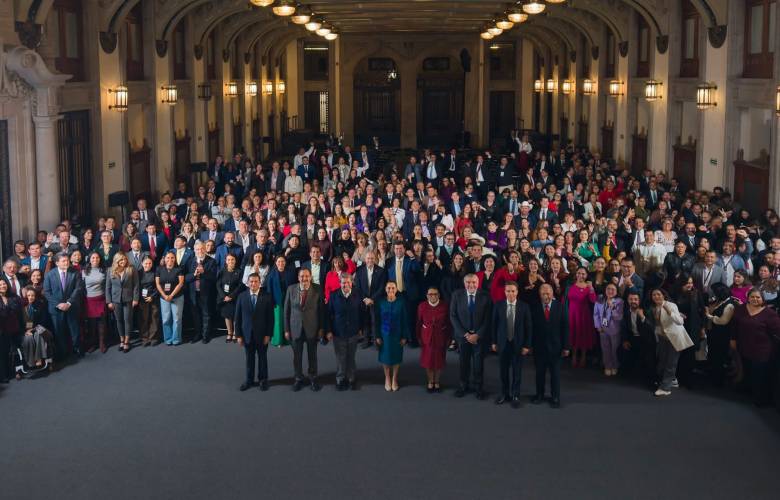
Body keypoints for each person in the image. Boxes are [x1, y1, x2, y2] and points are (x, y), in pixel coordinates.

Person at [730, 288, 780, 406]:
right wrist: (732, 339)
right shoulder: (741, 309)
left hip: (762, 350)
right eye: (752, 297)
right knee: (748, 371)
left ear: (763, 299)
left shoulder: (769, 314)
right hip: (744, 347)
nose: (755, 299)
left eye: (758, 297)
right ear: (748, 298)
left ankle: (761, 400)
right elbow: (734, 325)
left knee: (760, 375)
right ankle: (750, 393)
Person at [449, 273, 492, 399]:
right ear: (464, 283)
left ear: (478, 283)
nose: (471, 284)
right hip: (463, 337)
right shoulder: (457, 295)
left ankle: (479, 388)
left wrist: (478, 335)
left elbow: (487, 319)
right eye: (468, 282)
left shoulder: (485, 296)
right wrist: (465, 334)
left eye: (473, 282)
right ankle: (463, 386)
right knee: (464, 363)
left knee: (479, 364)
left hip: (479, 337)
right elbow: (453, 316)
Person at [491, 281, 532, 408]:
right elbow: (494, 325)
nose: (510, 293)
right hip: (503, 344)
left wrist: (527, 345)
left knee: (517, 371)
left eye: (513, 291)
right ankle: (504, 394)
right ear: (504, 292)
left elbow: (529, 327)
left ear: (517, 292)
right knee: (503, 371)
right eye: (508, 291)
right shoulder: (498, 306)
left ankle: (515, 395)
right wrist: (493, 342)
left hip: (518, 344)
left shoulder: (524, 307)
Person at [284, 268, 325, 391]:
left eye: (307, 276)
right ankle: (298, 378)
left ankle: (313, 378)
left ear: (310, 277)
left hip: (312, 328)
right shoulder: (291, 289)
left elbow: (322, 311)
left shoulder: (317, 289)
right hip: (295, 328)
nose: (304, 278)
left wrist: (322, 328)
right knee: (297, 356)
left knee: (312, 355)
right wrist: (286, 329)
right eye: (302, 276)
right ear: (298, 277)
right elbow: (286, 311)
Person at [531, 283, 569, 408]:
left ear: (552, 294)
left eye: (548, 293)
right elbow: (531, 329)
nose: (546, 296)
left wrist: (566, 347)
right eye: (543, 294)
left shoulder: (561, 307)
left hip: (556, 348)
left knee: (555, 374)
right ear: (539, 294)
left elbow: (565, 328)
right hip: (539, 347)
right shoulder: (534, 307)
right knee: (539, 374)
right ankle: (539, 395)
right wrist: (530, 345)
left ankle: (555, 397)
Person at [235, 273, 275, 392]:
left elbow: (270, 319)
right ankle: (249, 380)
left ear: (260, 283)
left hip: (262, 335)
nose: (253, 283)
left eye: (256, 281)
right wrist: (238, 335)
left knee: (262, 358)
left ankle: (263, 380)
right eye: (251, 281)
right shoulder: (241, 296)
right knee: (249, 358)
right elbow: (237, 318)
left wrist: (269, 334)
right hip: (247, 334)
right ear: (248, 283)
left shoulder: (267, 297)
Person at [650, 289, 693, 397]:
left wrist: (670, 311)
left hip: (675, 337)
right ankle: (670, 380)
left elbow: (680, 321)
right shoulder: (654, 308)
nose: (656, 297)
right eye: (654, 295)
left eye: (658, 294)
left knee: (671, 363)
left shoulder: (671, 305)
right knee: (662, 361)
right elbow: (658, 325)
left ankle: (665, 388)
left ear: (663, 295)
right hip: (663, 338)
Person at [43, 253, 85, 359]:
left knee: (74, 329)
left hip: (72, 306)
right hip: (56, 308)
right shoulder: (49, 274)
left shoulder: (75, 273)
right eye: (63, 261)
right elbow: (47, 292)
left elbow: (78, 289)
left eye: (67, 260)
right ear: (57, 263)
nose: (66, 263)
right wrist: (58, 304)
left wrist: (68, 303)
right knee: (59, 331)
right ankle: (63, 352)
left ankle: (76, 348)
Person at [326, 274, 363, 390]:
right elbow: (328, 314)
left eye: (348, 282)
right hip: (338, 332)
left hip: (353, 331)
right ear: (339, 283)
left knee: (351, 357)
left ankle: (351, 378)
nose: (346, 284)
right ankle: (340, 379)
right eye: (343, 282)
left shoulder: (358, 294)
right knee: (341, 357)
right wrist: (328, 331)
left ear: (351, 282)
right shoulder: (333, 295)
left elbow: (362, 313)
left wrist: (361, 328)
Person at [375, 281, 411, 391]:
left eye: (393, 288)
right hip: (384, 335)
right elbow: (376, 321)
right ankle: (387, 378)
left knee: (396, 358)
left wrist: (405, 336)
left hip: (397, 335)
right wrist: (377, 336)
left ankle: (394, 378)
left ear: (396, 290)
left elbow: (405, 320)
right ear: (385, 289)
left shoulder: (401, 302)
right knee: (385, 358)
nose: (391, 290)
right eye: (389, 288)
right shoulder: (380, 302)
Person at [415, 286, 451, 393]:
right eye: (430, 294)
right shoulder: (422, 306)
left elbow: (449, 324)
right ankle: (430, 381)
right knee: (428, 361)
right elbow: (418, 323)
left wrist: (449, 338)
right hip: (427, 337)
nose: (433, 296)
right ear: (427, 296)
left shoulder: (445, 306)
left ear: (439, 295)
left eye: (435, 294)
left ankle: (437, 381)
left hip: (441, 337)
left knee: (439, 361)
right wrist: (418, 337)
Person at [704, 283, 738, 387]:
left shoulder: (730, 304)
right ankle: (714, 377)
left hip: (722, 335)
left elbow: (723, 321)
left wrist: (709, 316)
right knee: (714, 356)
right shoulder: (721, 301)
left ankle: (718, 381)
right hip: (715, 334)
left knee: (719, 357)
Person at [105, 252, 139, 353]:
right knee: (119, 320)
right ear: (116, 261)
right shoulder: (110, 270)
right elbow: (108, 287)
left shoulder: (131, 269)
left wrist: (136, 299)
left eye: (124, 259)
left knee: (127, 320)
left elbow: (136, 285)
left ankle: (127, 341)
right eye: (120, 260)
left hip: (128, 299)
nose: (123, 261)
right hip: (115, 300)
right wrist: (109, 301)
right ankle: (122, 340)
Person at [185, 241, 218, 344]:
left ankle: (205, 335)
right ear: (194, 250)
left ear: (205, 249)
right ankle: (197, 334)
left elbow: (214, 278)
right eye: (198, 249)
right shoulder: (190, 261)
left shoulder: (212, 261)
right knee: (195, 315)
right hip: (193, 293)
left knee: (206, 314)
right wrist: (194, 275)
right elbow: (186, 278)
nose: (200, 251)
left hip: (206, 293)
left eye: (202, 249)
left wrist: (204, 273)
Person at [566, 267, 597, 368]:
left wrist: (591, 288)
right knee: (573, 335)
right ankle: (574, 356)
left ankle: (583, 356)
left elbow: (593, 300)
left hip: (584, 315)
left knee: (583, 335)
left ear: (587, 275)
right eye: (579, 273)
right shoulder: (570, 285)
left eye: (583, 274)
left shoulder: (589, 287)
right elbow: (565, 301)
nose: (581, 275)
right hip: (572, 314)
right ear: (576, 274)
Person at [354, 251, 387, 348]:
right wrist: (365, 299)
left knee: (375, 321)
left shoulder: (381, 271)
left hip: (375, 301)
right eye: (368, 258)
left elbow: (382, 288)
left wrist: (372, 299)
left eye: (372, 258)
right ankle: (366, 340)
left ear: (375, 259)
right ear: (365, 259)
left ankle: (376, 341)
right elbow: (357, 288)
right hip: (364, 301)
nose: (370, 260)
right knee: (365, 321)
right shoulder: (359, 270)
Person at [593, 283, 624, 376]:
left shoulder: (619, 301)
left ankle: (615, 365)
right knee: (605, 349)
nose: (610, 291)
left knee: (615, 349)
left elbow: (619, 317)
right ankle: (607, 365)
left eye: (613, 289)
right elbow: (596, 314)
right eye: (608, 289)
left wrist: (612, 307)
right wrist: (598, 326)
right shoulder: (600, 299)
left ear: (617, 291)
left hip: (615, 330)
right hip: (603, 329)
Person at [156, 252, 185, 346]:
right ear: (164, 259)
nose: (170, 259)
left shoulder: (179, 269)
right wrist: (164, 296)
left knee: (177, 319)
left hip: (177, 297)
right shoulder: (159, 269)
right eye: (168, 257)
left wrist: (171, 295)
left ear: (175, 259)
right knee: (166, 319)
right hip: (164, 298)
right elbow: (157, 284)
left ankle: (176, 339)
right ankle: (168, 338)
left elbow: (180, 283)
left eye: (172, 257)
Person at [81, 252, 107, 353]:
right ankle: (93, 343)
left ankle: (102, 343)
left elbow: (106, 285)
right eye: (93, 258)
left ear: (100, 259)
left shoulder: (104, 270)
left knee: (101, 323)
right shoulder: (84, 271)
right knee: (91, 325)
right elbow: (82, 287)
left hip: (101, 299)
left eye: (97, 258)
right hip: (89, 300)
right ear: (89, 259)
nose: (95, 259)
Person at [216, 253, 244, 343]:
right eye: (228, 260)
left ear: (235, 261)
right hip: (224, 298)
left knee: (236, 316)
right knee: (227, 316)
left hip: (235, 298)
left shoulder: (239, 271)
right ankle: (229, 332)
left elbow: (240, 286)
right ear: (226, 261)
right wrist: (224, 296)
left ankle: (236, 333)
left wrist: (231, 296)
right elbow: (218, 284)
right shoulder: (222, 271)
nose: (230, 261)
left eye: (232, 259)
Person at [0, 280, 23, 382]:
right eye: (0, 285)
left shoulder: (14, 297)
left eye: (4, 284)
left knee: (15, 350)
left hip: (14, 329)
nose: (3, 286)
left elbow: (19, 313)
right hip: (2, 330)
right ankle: (4, 375)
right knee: (3, 352)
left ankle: (16, 371)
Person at [137, 256, 160, 346]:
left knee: (154, 318)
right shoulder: (138, 273)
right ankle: (144, 338)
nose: (148, 265)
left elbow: (159, 286)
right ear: (142, 264)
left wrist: (152, 296)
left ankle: (153, 337)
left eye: (150, 263)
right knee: (143, 319)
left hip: (153, 297)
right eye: (146, 263)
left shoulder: (155, 272)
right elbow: (136, 287)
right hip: (142, 299)